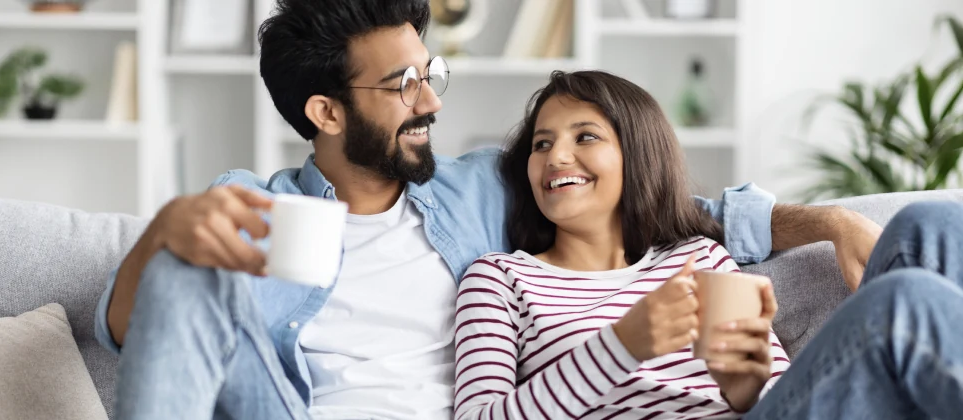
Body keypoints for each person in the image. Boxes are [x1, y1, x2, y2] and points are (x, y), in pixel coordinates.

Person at [93, 0, 882, 418]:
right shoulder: (259, 206)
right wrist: (164, 236)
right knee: (188, 265)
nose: (431, 98)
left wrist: (832, 223)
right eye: (402, 86)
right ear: (326, 113)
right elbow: (133, 327)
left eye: (427, 70)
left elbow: (657, 206)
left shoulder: (479, 188)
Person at [455, 70, 963, 420]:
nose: (556, 155)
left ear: (637, 156)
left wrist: (741, 384)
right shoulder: (498, 278)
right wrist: (623, 344)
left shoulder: (698, 256)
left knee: (934, 223)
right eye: (541, 144)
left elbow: (772, 395)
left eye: (584, 136)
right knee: (902, 306)